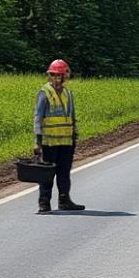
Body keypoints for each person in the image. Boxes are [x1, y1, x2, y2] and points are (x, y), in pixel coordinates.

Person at [33, 59, 85, 213]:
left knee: (64, 172)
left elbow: (72, 116)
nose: (57, 79)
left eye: (60, 76)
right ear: (50, 76)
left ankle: (64, 200)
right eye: (54, 75)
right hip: (49, 141)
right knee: (47, 173)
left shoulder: (68, 93)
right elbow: (38, 118)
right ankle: (44, 203)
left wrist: (74, 134)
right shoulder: (44, 93)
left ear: (65, 77)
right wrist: (37, 142)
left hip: (66, 141)